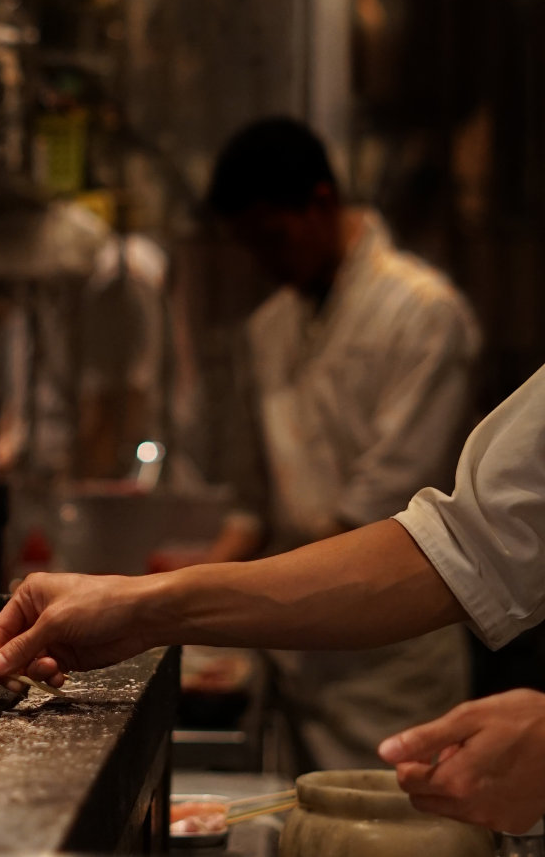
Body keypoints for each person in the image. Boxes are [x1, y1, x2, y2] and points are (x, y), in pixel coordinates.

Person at [0, 361, 545, 834]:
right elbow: (459, 549)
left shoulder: (422, 314)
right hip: (324, 625)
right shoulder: (271, 326)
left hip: (397, 668)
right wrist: (145, 606)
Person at [187, 117, 481, 770]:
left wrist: (196, 604)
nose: (264, 262)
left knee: (404, 829)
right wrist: (172, 595)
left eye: (272, 236)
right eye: (249, 245)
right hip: (295, 646)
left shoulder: (424, 314)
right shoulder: (269, 328)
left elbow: (376, 509)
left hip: (391, 658)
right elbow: (256, 507)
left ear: (321, 203)